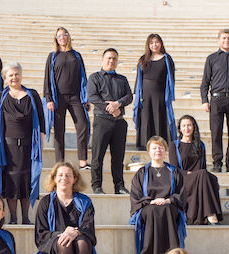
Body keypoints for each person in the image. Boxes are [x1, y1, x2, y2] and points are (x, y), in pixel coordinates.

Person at [31, 161, 115, 254]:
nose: (65, 178)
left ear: (75, 179)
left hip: (81, 245)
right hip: (56, 247)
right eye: (61, 175)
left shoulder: (84, 201)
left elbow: (89, 227)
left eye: (69, 175)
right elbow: (41, 233)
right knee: (64, 243)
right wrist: (63, 234)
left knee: (83, 242)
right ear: (54, 178)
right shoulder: (45, 203)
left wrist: (75, 232)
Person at [0, 62, 46, 225]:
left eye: (17, 74)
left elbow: (41, 122)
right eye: (11, 75)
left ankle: (26, 218)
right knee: (11, 181)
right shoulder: (1, 97)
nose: (14, 77)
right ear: (6, 78)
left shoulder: (32, 96)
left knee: (26, 180)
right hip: (7, 147)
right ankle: (13, 218)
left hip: (28, 146)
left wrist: (40, 145)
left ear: (21, 75)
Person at [129, 136, 186, 254]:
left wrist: (168, 200)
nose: (157, 150)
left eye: (161, 147)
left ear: (165, 151)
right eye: (154, 148)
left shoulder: (174, 171)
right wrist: (151, 201)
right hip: (147, 206)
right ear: (149, 152)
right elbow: (136, 195)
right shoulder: (142, 172)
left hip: (170, 205)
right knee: (153, 210)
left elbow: (182, 193)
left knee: (167, 209)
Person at [87, 48, 132, 195]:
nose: (111, 61)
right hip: (102, 121)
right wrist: (110, 108)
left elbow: (129, 96)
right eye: (109, 58)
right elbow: (93, 97)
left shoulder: (122, 79)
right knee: (97, 156)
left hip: (119, 122)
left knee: (118, 157)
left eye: (114, 59)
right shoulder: (94, 77)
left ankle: (119, 186)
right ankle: (97, 186)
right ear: (102, 59)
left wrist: (118, 104)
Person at [43, 27, 89, 168]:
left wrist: (85, 98)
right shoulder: (53, 56)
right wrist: (48, 98)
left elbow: (83, 76)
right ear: (56, 39)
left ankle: (83, 161)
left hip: (75, 97)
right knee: (59, 130)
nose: (62, 37)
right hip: (58, 98)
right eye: (59, 36)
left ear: (68, 37)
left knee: (83, 125)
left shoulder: (76, 55)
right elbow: (47, 79)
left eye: (64, 35)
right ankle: (59, 162)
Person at [200, 29, 229, 173]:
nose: (226, 40)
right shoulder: (211, 58)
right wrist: (204, 100)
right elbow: (205, 82)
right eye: (224, 38)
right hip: (217, 99)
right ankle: (217, 163)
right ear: (218, 40)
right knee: (216, 132)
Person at [172, 115, 222, 225]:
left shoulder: (201, 145)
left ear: (193, 127)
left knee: (211, 177)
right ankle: (210, 213)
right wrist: (188, 173)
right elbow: (173, 169)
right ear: (180, 129)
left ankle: (208, 214)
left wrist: (198, 174)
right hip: (184, 178)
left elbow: (202, 166)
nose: (186, 128)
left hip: (200, 178)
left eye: (189, 125)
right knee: (203, 174)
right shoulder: (175, 145)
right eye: (183, 126)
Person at [134, 34, 176, 149]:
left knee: (160, 118)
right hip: (145, 95)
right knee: (146, 119)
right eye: (151, 43)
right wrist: (135, 94)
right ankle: (144, 144)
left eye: (157, 42)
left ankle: (162, 145)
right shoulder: (143, 59)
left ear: (161, 43)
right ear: (148, 45)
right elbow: (138, 78)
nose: (154, 45)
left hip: (160, 95)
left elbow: (171, 78)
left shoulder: (167, 59)